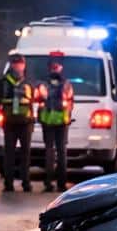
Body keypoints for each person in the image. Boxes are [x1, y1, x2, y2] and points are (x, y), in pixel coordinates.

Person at [0, 53, 35, 192]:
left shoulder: (29, 82)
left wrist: (32, 120)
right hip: (9, 122)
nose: (19, 65)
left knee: (25, 154)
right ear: (11, 65)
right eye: (16, 63)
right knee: (9, 154)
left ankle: (26, 183)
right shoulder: (1, 81)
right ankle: (8, 183)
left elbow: (32, 102)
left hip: (25, 122)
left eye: (21, 63)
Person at [37, 51, 74, 193]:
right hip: (62, 122)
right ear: (60, 69)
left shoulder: (43, 84)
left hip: (47, 121)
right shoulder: (67, 84)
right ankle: (61, 183)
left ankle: (48, 182)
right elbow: (71, 101)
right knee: (61, 152)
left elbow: (38, 99)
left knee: (49, 152)